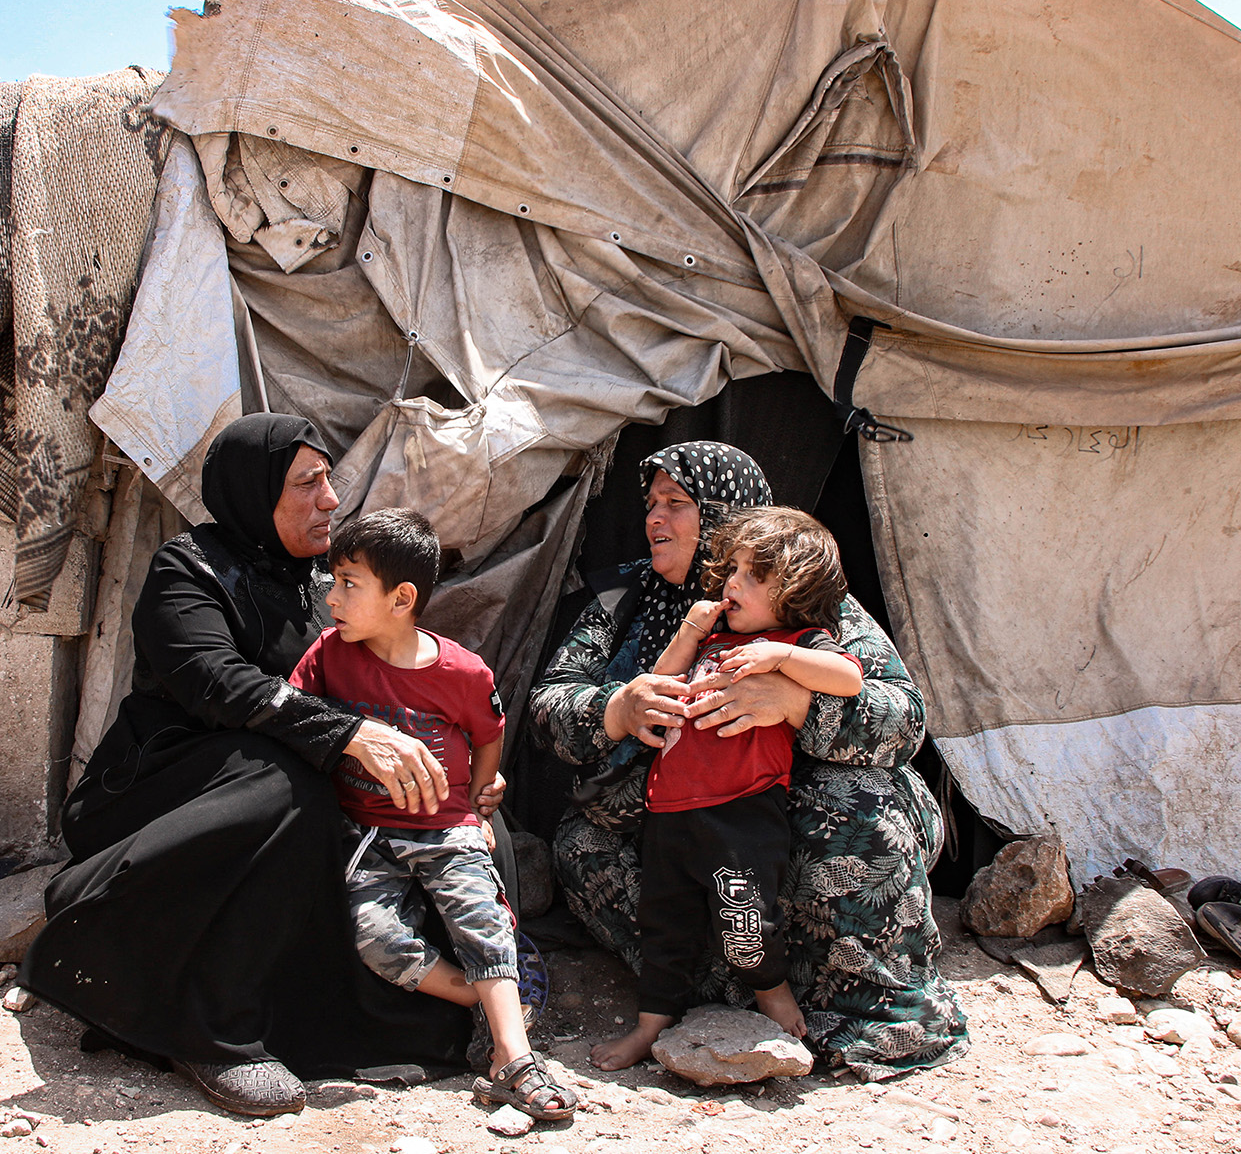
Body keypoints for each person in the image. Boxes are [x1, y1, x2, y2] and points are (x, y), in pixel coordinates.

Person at [18, 415, 492, 1117]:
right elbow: (217, 682)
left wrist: (458, 772)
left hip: (298, 787)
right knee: (284, 785)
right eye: (308, 483)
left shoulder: (325, 583)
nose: (332, 498)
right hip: (173, 790)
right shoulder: (188, 570)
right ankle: (209, 1027)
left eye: (329, 479)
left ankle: (462, 998)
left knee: (454, 816)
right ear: (253, 492)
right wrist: (352, 736)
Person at [530, 442, 968, 1079]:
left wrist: (795, 703)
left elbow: (904, 719)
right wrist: (616, 710)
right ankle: (724, 990)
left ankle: (862, 1004)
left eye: (676, 505)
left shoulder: (802, 599)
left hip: (779, 805)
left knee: (856, 804)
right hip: (674, 805)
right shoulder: (624, 600)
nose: (656, 519)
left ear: (721, 516)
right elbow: (548, 703)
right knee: (583, 846)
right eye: (651, 505)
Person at [291, 508, 577, 1121]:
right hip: (366, 834)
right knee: (372, 934)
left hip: (446, 829)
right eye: (332, 580)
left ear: (402, 598)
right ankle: (487, 995)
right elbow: (295, 715)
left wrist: (478, 800)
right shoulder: (328, 657)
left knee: (479, 911)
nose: (331, 597)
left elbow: (489, 735)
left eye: (348, 583)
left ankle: (515, 1059)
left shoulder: (463, 672)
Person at [591, 506, 863, 1070]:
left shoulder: (799, 639)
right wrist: (691, 631)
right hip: (669, 810)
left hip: (740, 813)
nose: (731, 582)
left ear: (793, 591)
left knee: (745, 913)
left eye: (752, 576)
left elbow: (850, 678)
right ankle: (651, 1025)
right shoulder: (712, 637)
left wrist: (784, 655)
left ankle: (770, 989)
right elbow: (663, 681)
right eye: (732, 568)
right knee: (662, 923)